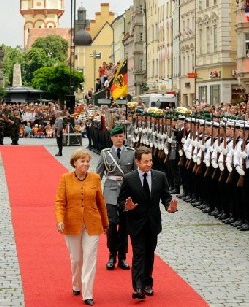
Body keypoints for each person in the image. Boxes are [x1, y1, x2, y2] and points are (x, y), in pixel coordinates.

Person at [118, 146, 177, 300]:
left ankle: (147, 284)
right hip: (136, 223)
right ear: (137, 162)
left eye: (150, 161)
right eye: (145, 161)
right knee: (139, 254)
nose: (149, 164)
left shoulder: (160, 176)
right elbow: (121, 200)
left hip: (153, 223)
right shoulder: (129, 178)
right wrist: (126, 206)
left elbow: (165, 196)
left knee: (149, 254)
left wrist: (169, 206)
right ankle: (138, 287)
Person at [55, 149, 109, 306]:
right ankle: (76, 284)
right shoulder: (65, 178)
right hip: (72, 223)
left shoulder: (95, 178)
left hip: (92, 223)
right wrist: (59, 220)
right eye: (82, 161)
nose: (86, 164)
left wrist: (105, 223)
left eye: (87, 161)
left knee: (90, 258)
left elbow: (101, 202)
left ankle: (87, 293)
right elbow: (59, 202)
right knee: (77, 258)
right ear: (74, 163)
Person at [96, 125, 135, 270]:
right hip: (110, 191)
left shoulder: (131, 153)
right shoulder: (105, 153)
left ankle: (122, 257)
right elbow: (98, 174)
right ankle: (112, 255)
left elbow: (135, 175)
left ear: (124, 137)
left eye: (121, 136)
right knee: (111, 225)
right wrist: (94, 191)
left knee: (124, 225)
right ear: (111, 138)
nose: (119, 139)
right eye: (116, 136)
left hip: (126, 192)